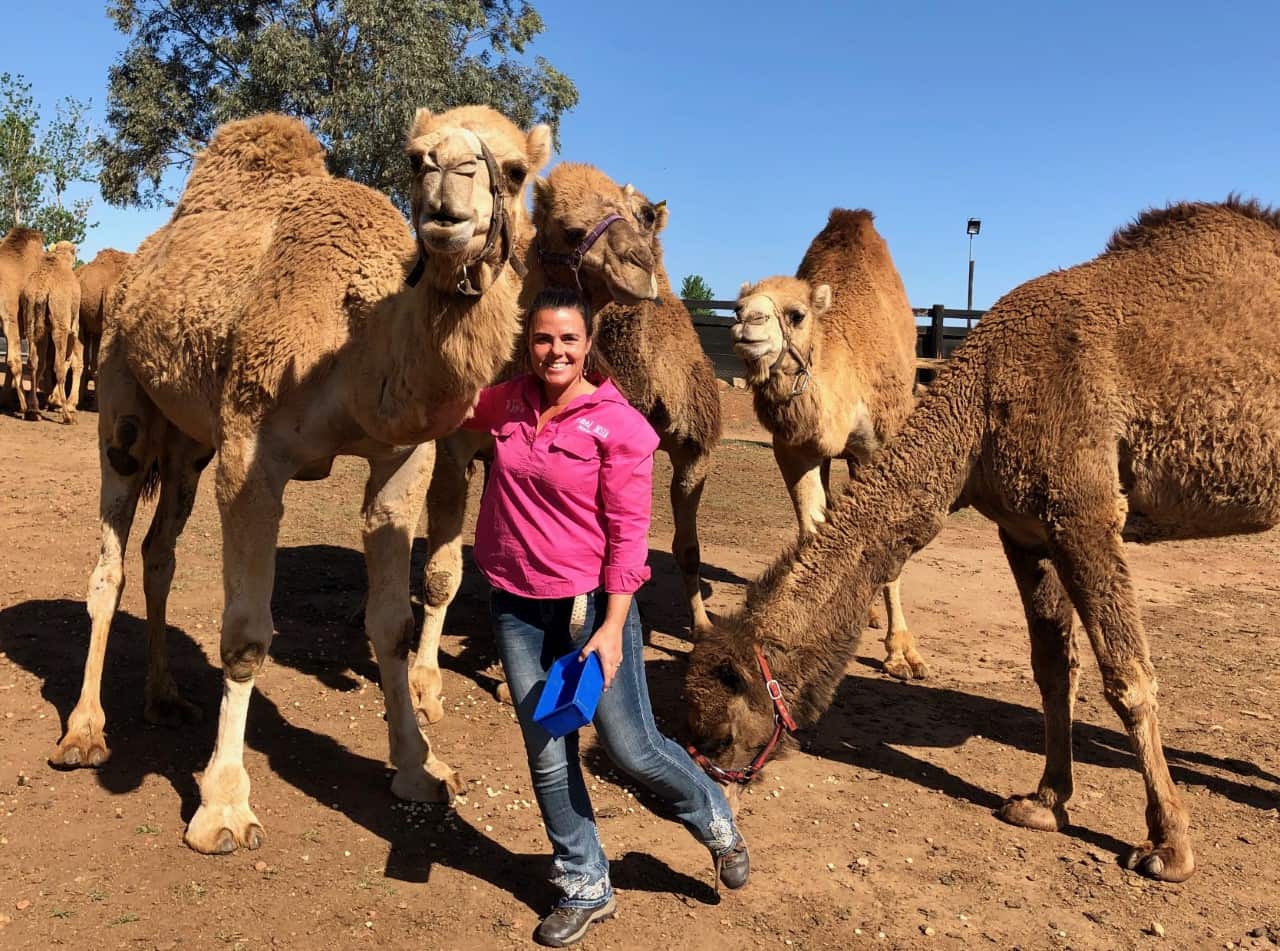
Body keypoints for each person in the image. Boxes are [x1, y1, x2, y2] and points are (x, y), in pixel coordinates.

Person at [462, 286, 749, 948]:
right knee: (547, 751)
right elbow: (444, 400)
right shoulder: (507, 401)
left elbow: (628, 537)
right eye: (542, 338)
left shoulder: (618, 424)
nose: (554, 351)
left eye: (568, 338)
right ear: (527, 342)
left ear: (588, 344)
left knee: (630, 746)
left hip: (588, 608)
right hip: (515, 605)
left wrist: (613, 627)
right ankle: (585, 881)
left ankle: (713, 814)